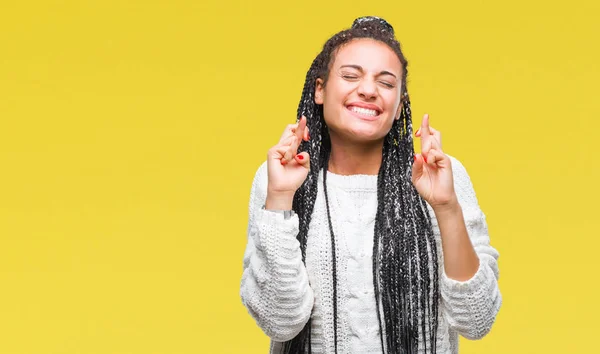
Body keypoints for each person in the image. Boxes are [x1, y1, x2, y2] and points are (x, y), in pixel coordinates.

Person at [240, 16, 501, 354]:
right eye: (350, 75)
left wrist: (446, 207)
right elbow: (279, 321)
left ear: (398, 107)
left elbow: (477, 320)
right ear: (319, 90)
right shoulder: (280, 178)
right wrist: (279, 197)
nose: (368, 89)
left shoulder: (441, 177)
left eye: (387, 83)